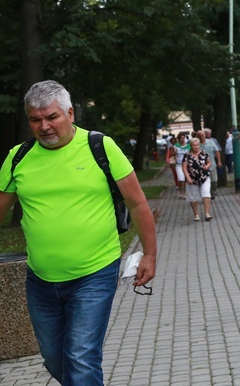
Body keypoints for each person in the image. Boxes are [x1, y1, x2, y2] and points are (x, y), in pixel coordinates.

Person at [0, 80, 157, 385]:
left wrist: (149, 254)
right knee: (56, 359)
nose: (44, 126)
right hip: (41, 280)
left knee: (82, 358)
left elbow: (137, 203)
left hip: (94, 274)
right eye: (35, 119)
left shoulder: (100, 146)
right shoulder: (17, 157)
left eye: (51, 117)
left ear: (70, 113)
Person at [182, 137, 212, 221]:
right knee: (193, 197)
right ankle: (196, 214)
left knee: (206, 194)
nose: (196, 147)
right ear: (191, 146)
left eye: (197, 145)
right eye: (194, 145)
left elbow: (209, 162)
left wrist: (207, 166)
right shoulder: (187, 155)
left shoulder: (204, 153)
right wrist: (187, 177)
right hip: (192, 178)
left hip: (204, 177)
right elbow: (184, 167)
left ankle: (207, 213)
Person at [201, 128, 222, 198]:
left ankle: (213, 192)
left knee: (214, 180)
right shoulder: (197, 143)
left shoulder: (211, 141)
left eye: (203, 135)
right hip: (202, 165)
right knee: (204, 181)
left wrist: (219, 161)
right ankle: (206, 194)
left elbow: (217, 151)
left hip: (212, 164)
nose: (203, 136)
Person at [174, 133, 190, 199]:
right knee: (181, 179)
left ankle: (185, 193)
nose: (182, 139)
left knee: (186, 179)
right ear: (178, 139)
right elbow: (173, 154)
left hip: (187, 165)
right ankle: (181, 192)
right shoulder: (176, 146)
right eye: (181, 138)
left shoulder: (188, 146)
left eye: (183, 138)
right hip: (179, 165)